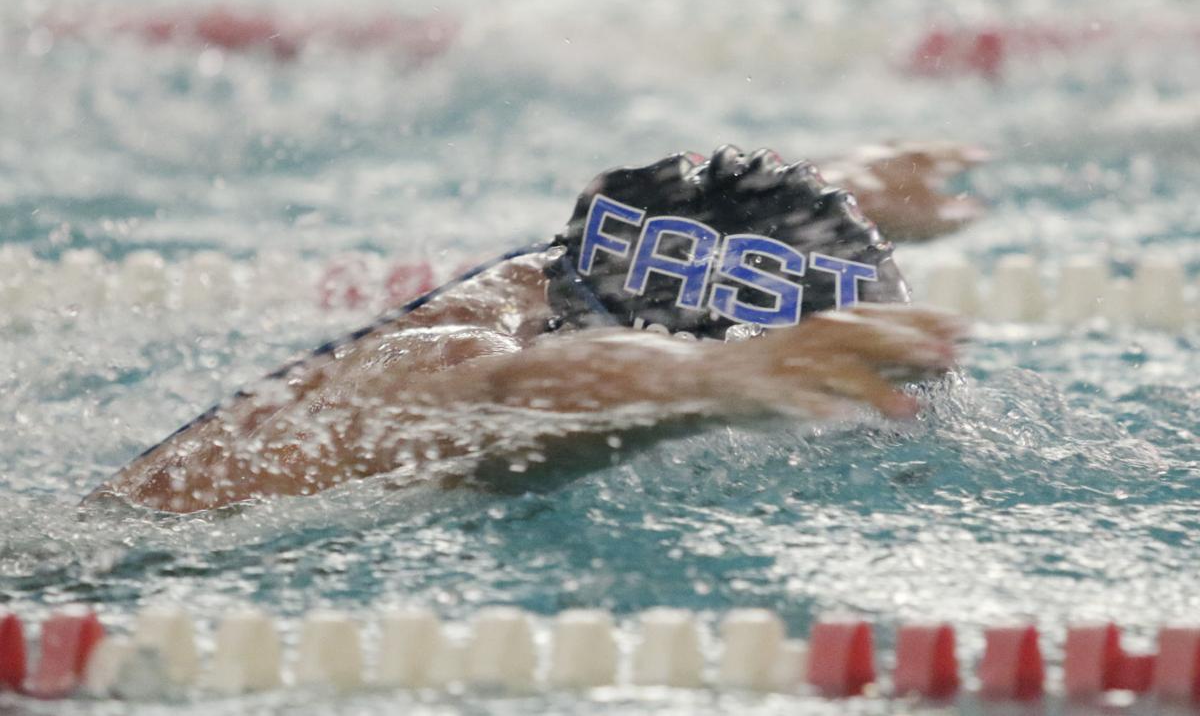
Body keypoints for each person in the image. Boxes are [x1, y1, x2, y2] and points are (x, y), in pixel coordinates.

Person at [86, 144, 980, 513]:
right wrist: (714, 386)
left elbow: (701, 226)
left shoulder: (577, 269)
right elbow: (510, 399)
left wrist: (849, 179)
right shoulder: (450, 361)